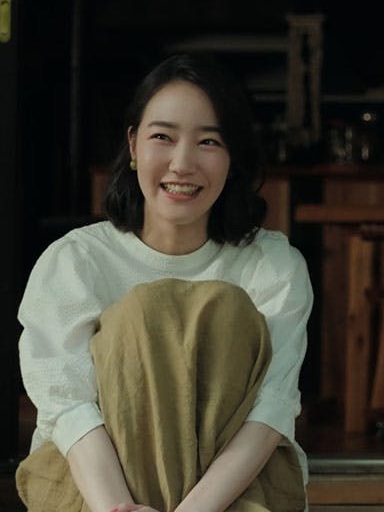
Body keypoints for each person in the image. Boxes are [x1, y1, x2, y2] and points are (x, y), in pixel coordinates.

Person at [16, 54, 313, 512]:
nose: (182, 163)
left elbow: (271, 409)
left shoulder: (272, 266)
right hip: (97, 493)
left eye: (208, 141)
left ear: (232, 157)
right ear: (133, 145)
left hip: (230, 496)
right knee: (143, 314)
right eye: (163, 137)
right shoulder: (75, 261)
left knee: (226, 312)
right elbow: (68, 406)